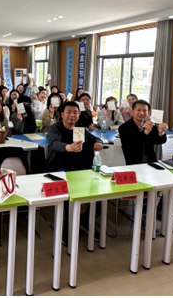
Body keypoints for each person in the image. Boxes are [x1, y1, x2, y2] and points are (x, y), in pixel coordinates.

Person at [44, 101, 104, 243]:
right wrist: (70, 148)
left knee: (100, 192)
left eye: (75, 112)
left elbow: (95, 138)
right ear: (62, 114)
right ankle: (69, 223)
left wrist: (98, 142)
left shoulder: (80, 130)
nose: (72, 115)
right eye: (69, 112)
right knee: (68, 192)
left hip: (80, 168)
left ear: (79, 115)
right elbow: (54, 144)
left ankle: (85, 219)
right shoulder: (55, 129)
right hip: (60, 169)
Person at [118, 99, 168, 166]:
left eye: (144, 110)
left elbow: (160, 141)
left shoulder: (151, 126)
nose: (141, 113)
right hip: (134, 163)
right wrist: (145, 132)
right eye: (138, 110)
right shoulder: (124, 127)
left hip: (151, 162)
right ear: (132, 111)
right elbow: (131, 144)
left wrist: (161, 133)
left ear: (148, 113)